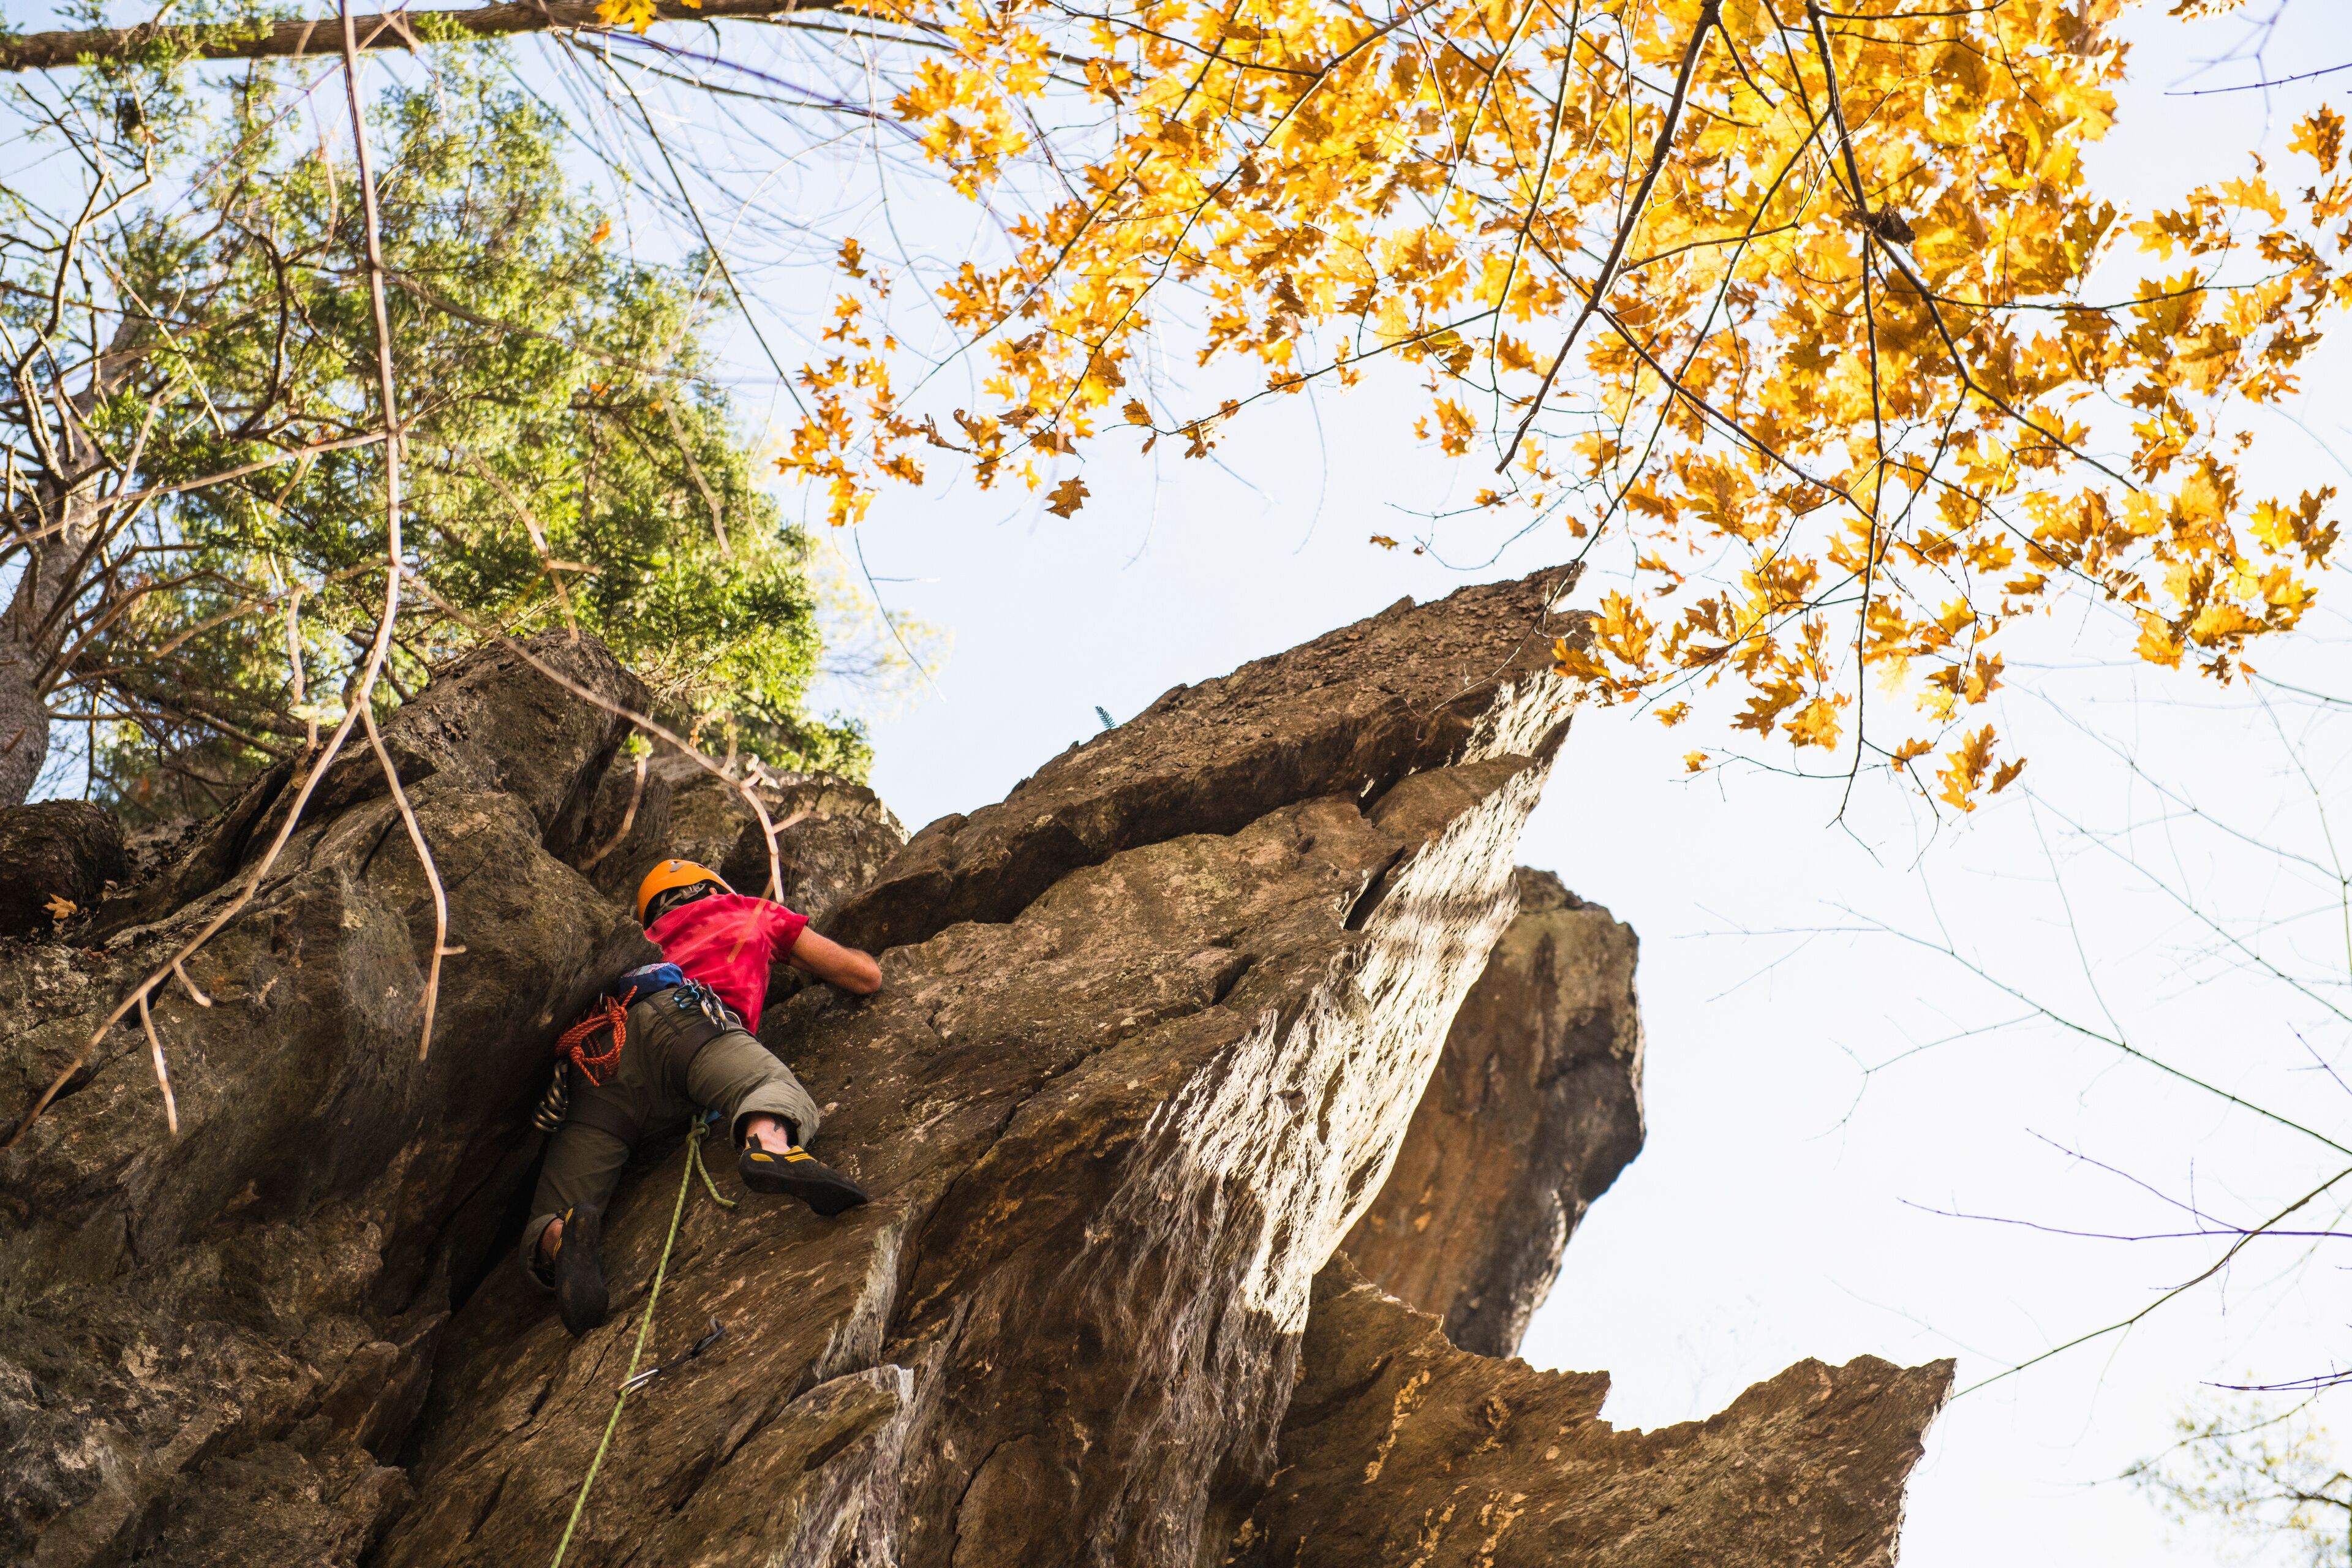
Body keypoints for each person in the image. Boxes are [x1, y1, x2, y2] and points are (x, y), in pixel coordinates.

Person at [525, 858, 883, 1333]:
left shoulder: (646, 939)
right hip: (687, 1027)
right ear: (714, 887)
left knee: (556, 1205)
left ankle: (559, 1238)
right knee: (767, 1086)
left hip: (600, 1059)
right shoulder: (749, 911)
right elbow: (862, 976)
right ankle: (771, 1149)